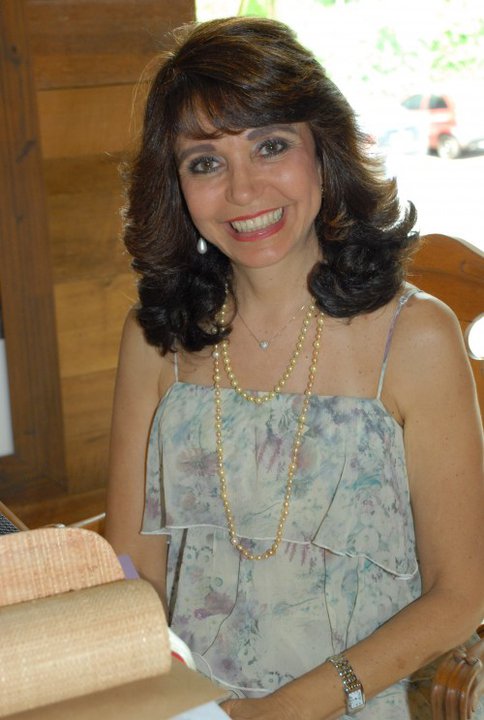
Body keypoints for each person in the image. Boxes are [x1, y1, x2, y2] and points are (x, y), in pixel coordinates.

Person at [105, 16, 484, 720]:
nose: (243, 190)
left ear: (323, 150)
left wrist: (287, 708)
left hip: (364, 699)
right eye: (205, 162)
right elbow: (133, 571)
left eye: (270, 145)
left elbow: (461, 593)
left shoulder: (416, 338)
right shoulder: (155, 338)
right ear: (176, 185)